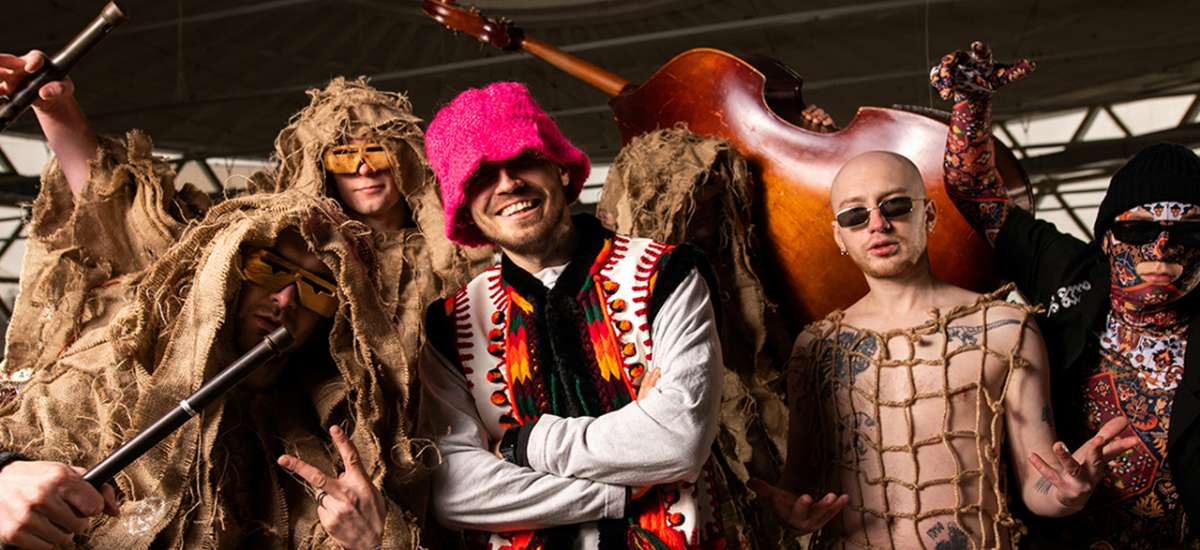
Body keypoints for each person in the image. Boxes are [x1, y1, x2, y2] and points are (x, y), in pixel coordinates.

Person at [417, 81, 774, 549]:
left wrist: (522, 445)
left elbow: (678, 440)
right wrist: (616, 491)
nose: (507, 183)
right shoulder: (451, 324)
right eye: (481, 174)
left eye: (523, 157)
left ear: (561, 168)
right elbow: (456, 492)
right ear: (464, 205)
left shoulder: (665, 274)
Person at [0, 193, 424, 549]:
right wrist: (7, 475)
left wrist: (374, 541)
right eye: (269, 268)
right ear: (225, 270)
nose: (286, 299)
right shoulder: (107, 380)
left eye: (317, 289)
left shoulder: (329, 436)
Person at [762, 150, 1136, 548]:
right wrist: (790, 514)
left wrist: (1067, 492)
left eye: (895, 206)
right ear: (839, 235)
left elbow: (1037, 484)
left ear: (928, 215)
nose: (878, 224)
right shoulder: (818, 346)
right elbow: (799, 484)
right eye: (855, 215)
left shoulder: (1003, 329)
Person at [932, 41, 1200, 548]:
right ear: (1107, 239)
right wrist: (971, 105)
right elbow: (976, 196)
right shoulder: (1068, 272)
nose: (1162, 246)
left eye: (1187, 232)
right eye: (1140, 230)